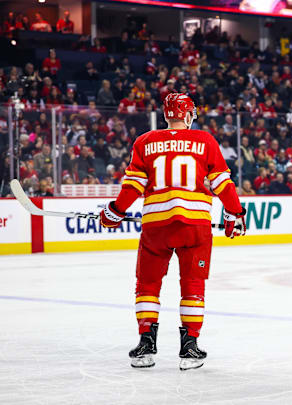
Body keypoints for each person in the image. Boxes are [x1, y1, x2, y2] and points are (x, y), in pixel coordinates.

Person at [99, 93, 247, 370]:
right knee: (192, 285)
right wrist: (235, 214)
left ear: (167, 115)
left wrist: (115, 212)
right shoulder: (205, 141)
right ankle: (189, 347)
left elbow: (133, 187)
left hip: (156, 228)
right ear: (188, 115)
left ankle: (146, 344)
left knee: (147, 284)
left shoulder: (145, 141)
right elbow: (223, 184)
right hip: (195, 228)